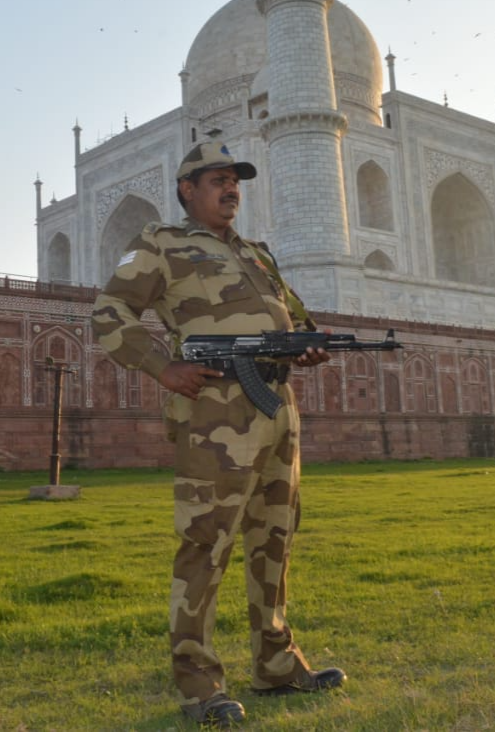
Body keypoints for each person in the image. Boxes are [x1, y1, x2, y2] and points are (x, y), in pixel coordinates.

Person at [91, 140, 345, 727]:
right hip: (214, 415)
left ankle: (277, 664)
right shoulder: (164, 245)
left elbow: (298, 322)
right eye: (218, 180)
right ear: (188, 189)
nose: (231, 189)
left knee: (274, 539)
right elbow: (108, 312)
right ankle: (199, 684)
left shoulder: (257, 255)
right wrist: (163, 366)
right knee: (207, 544)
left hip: (276, 407)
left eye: (236, 181)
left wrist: (307, 347)